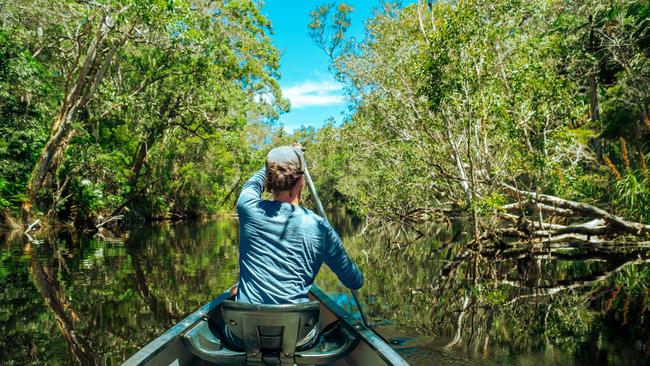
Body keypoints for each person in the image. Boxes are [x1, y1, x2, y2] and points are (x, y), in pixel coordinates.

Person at [233, 144, 363, 305]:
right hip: (295, 329)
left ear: (269, 179)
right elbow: (355, 281)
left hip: (243, 328)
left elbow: (251, 185)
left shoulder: (248, 208)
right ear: (302, 181)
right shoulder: (319, 227)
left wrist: (272, 163)